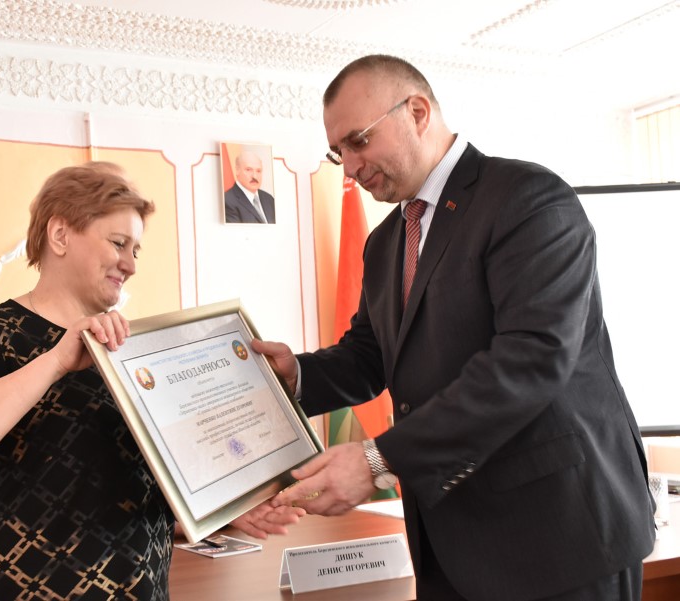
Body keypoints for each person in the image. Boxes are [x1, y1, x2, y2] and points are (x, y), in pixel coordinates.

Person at [253, 55, 656, 601]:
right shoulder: (385, 242)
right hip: (446, 544)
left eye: (358, 142)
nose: (348, 168)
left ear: (417, 112)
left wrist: (377, 460)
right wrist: (296, 374)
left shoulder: (528, 198)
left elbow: (531, 361)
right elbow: (371, 355)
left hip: (558, 538)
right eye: (337, 152)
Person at [0, 162, 302, 600]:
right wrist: (57, 361)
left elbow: (125, 486)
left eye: (136, 251)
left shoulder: (128, 350)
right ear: (60, 235)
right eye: (118, 243)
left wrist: (217, 510)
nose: (130, 264)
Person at [224, 149, 276, 223]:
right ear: (237, 170)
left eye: (258, 171)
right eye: (248, 170)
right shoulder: (227, 201)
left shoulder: (269, 199)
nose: (255, 176)